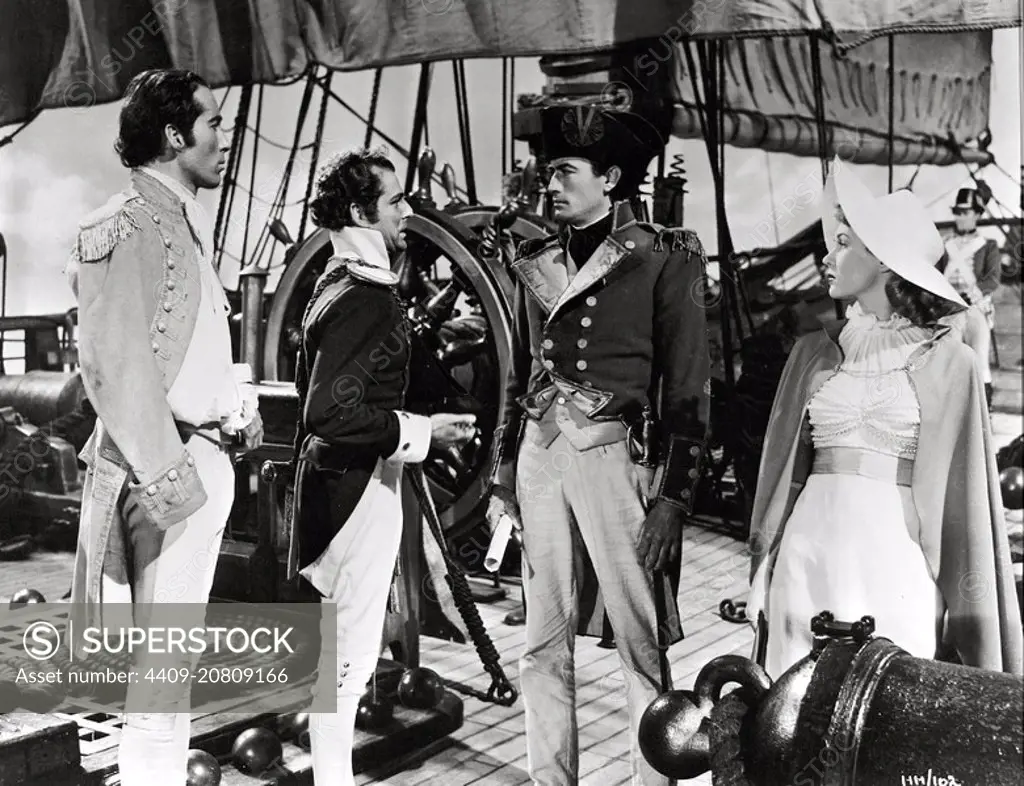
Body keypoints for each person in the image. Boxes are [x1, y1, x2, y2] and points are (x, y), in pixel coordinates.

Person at [486, 105, 711, 786]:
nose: (548, 184)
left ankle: (652, 778)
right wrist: (502, 470)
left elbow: (689, 386)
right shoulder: (535, 261)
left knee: (640, 642)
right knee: (540, 642)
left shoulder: (667, 254)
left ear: (610, 177)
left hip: (618, 461)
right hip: (541, 453)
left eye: (563, 171)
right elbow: (519, 372)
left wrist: (674, 496)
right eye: (547, 170)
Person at [746, 160, 1023, 679]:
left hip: (895, 553)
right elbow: (779, 470)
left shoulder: (951, 362)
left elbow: (968, 504)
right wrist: (762, 563)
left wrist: (967, 610)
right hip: (809, 544)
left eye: (845, 243)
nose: (828, 257)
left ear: (887, 262)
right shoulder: (811, 351)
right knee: (794, 701)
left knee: (885, 706)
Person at [64, 69, 264, 786]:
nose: (223, 138)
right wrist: (174, 480)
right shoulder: (121, 223)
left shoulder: (176, 219)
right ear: (175, 135)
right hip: (165, 471)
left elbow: (188, 355)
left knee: (170, 674)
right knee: (159, 676)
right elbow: (111, 365)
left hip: (197, 458)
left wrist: (234, 407)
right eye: (212, 125)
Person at [286, 148, 478, 785]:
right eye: (394, 201)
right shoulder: (364, 297)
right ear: (359, 211)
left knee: (339, 658)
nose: (407, 210)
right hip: (356, 495)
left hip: (343, 487)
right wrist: (426, 431)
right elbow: (326, 413)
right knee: (345, 661)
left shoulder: (335, 281)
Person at [939, 185, 1002, 409]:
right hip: (948, 310)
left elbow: (992, 279)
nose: (960, 217)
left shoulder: (988, 246)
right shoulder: (945, 245)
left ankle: (984, 408)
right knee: (947, 360)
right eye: (958, 212)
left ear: (976, 214)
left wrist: (970, 296)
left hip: (976, 308)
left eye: (965, 213)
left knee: (979, 360)